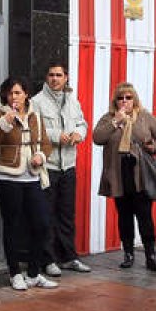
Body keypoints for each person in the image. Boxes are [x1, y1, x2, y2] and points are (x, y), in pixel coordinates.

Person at [0, 76, 57, 291]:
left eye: (17, 92)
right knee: (12, 226)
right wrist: (4, 123)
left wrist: (41, 156)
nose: (13, 97)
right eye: (9, 93)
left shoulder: (35, 115)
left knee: (41, 224)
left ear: (26, 94)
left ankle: (33, 273)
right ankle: (15, 272)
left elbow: (45, 143)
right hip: (7, 179)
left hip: (32, 177)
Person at [92, 82, 156, 271]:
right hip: (119, 174)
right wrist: (116, 121)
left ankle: (150, 255)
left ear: (134, 99)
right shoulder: (108, 118)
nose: (124, 101)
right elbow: (97, 138)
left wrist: (154, 147)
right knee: (124, 216)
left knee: (145, 216)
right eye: (120, 98)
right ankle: (128, 253)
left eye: (128, 97)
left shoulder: (144, 117)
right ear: (115, 101)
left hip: (140, 174)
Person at [30, 62, 92, 276]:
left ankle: (69, 257)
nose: (55, 79)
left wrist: (78, 134)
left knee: (66, 214)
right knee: (46, 215)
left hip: (68, 166)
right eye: (51, 75)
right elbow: (34, 129)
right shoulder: (36, 102)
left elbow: (82, 124)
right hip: (48, 166)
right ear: (46, 78)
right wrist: (58, 136)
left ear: (66, 77)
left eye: (59, 75)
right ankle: (48, 260)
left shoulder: (72, 101)